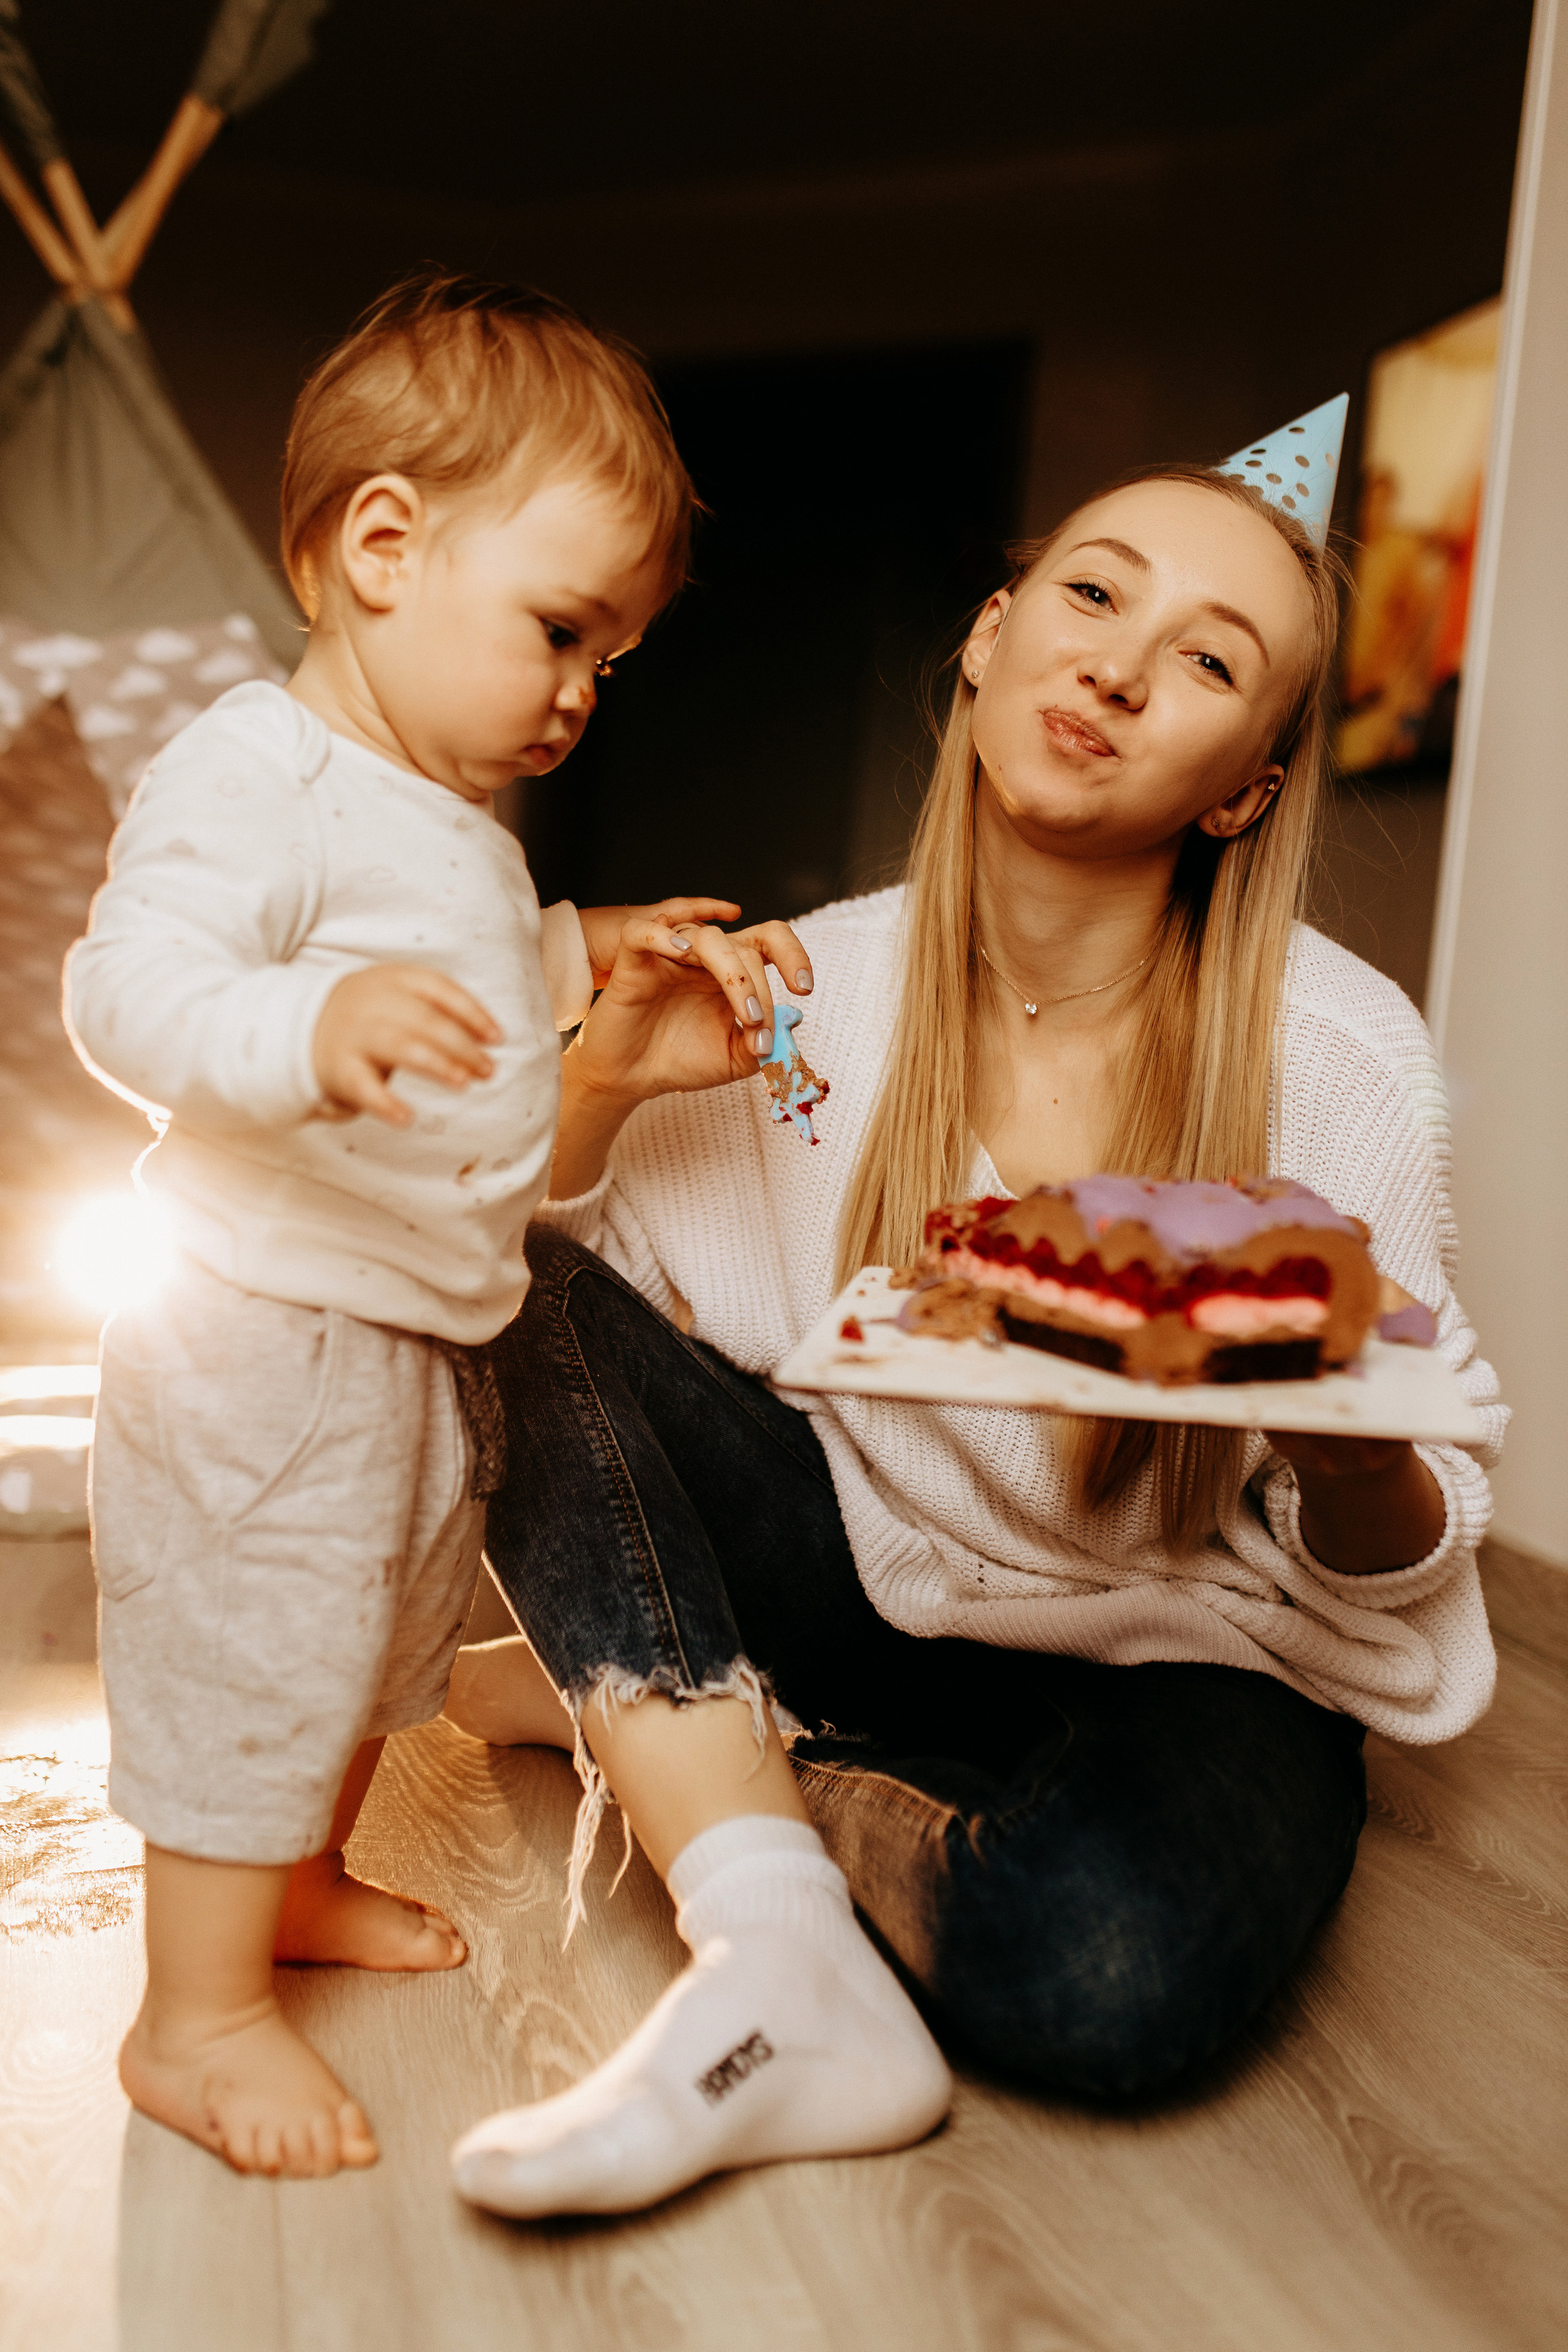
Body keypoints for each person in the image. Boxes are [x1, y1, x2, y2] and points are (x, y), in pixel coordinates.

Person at [444, 445, 1506, 2219]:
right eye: (1093, 595)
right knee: (497, 1278)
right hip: (859, 1570)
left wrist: (1358, 1450)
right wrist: (603, 1086)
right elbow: (525, 1308)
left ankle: (716, 1745)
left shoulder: (1339, 1057)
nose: (1118, 666)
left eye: (1211, 658)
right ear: (992, 636)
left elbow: (1404, 1560)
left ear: (1243, 789)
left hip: (1201, 1651)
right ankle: (767, 1928)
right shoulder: (807, 1000)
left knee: (1099, 1971)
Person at [64, 268, 772, 2182]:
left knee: (375, 1642)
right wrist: (302, 1027)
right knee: (260, 1643)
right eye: (561, 628)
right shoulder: (255, 768)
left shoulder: (453, 819)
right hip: (261, 1332)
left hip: (411, 1337)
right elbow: (123, 993)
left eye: (610, 659)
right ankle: (191, 2022)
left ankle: (290, 1885)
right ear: (385, 545)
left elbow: (456, 983)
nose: (577, 690)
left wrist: (575, 952)